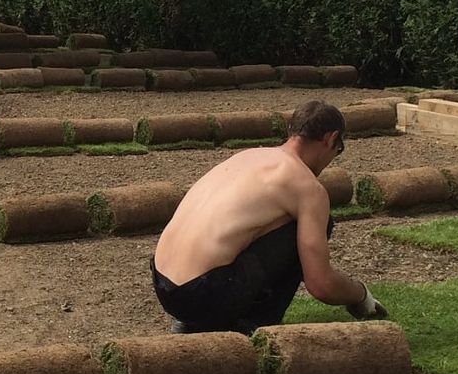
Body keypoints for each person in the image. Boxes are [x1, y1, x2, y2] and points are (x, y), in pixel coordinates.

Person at [151, 99, 387, 335]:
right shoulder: (306, 187)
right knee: (315, 224)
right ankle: (251, 325)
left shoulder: (249, 156)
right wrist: (360, 294)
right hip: (203, 294)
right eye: (338, 149)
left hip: (163, 284)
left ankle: (197, 321)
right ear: (330, 139)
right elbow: (321, 285)